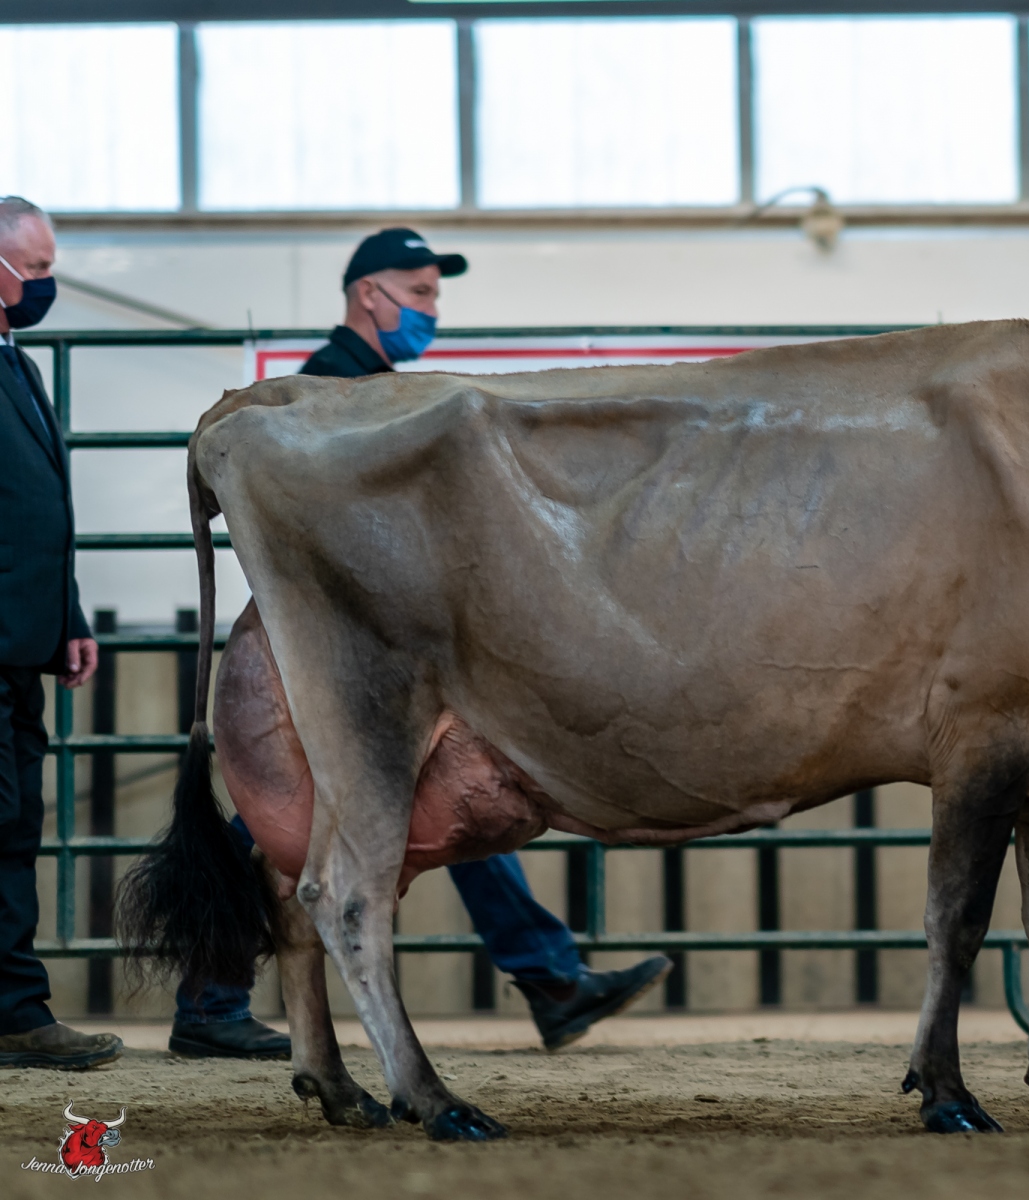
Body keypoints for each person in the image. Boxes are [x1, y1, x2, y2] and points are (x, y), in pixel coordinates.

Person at [172, 228, 669, 1060]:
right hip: (344, 638)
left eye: (434, 295)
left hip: (366, 633)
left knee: (430, 796)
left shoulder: (364, 392)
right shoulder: (328, 394)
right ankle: (210, 1000)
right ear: (369, 294)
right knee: (327, 809)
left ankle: (548, 976)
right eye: (420, 293)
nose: (431, 310)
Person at [0, 196, 123, 1070]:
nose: (47, 284)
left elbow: (39, 512)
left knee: (14, 826)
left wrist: (68, 617)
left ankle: (15, 1010)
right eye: (36, 269)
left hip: (22, 643)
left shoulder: (20, 366)